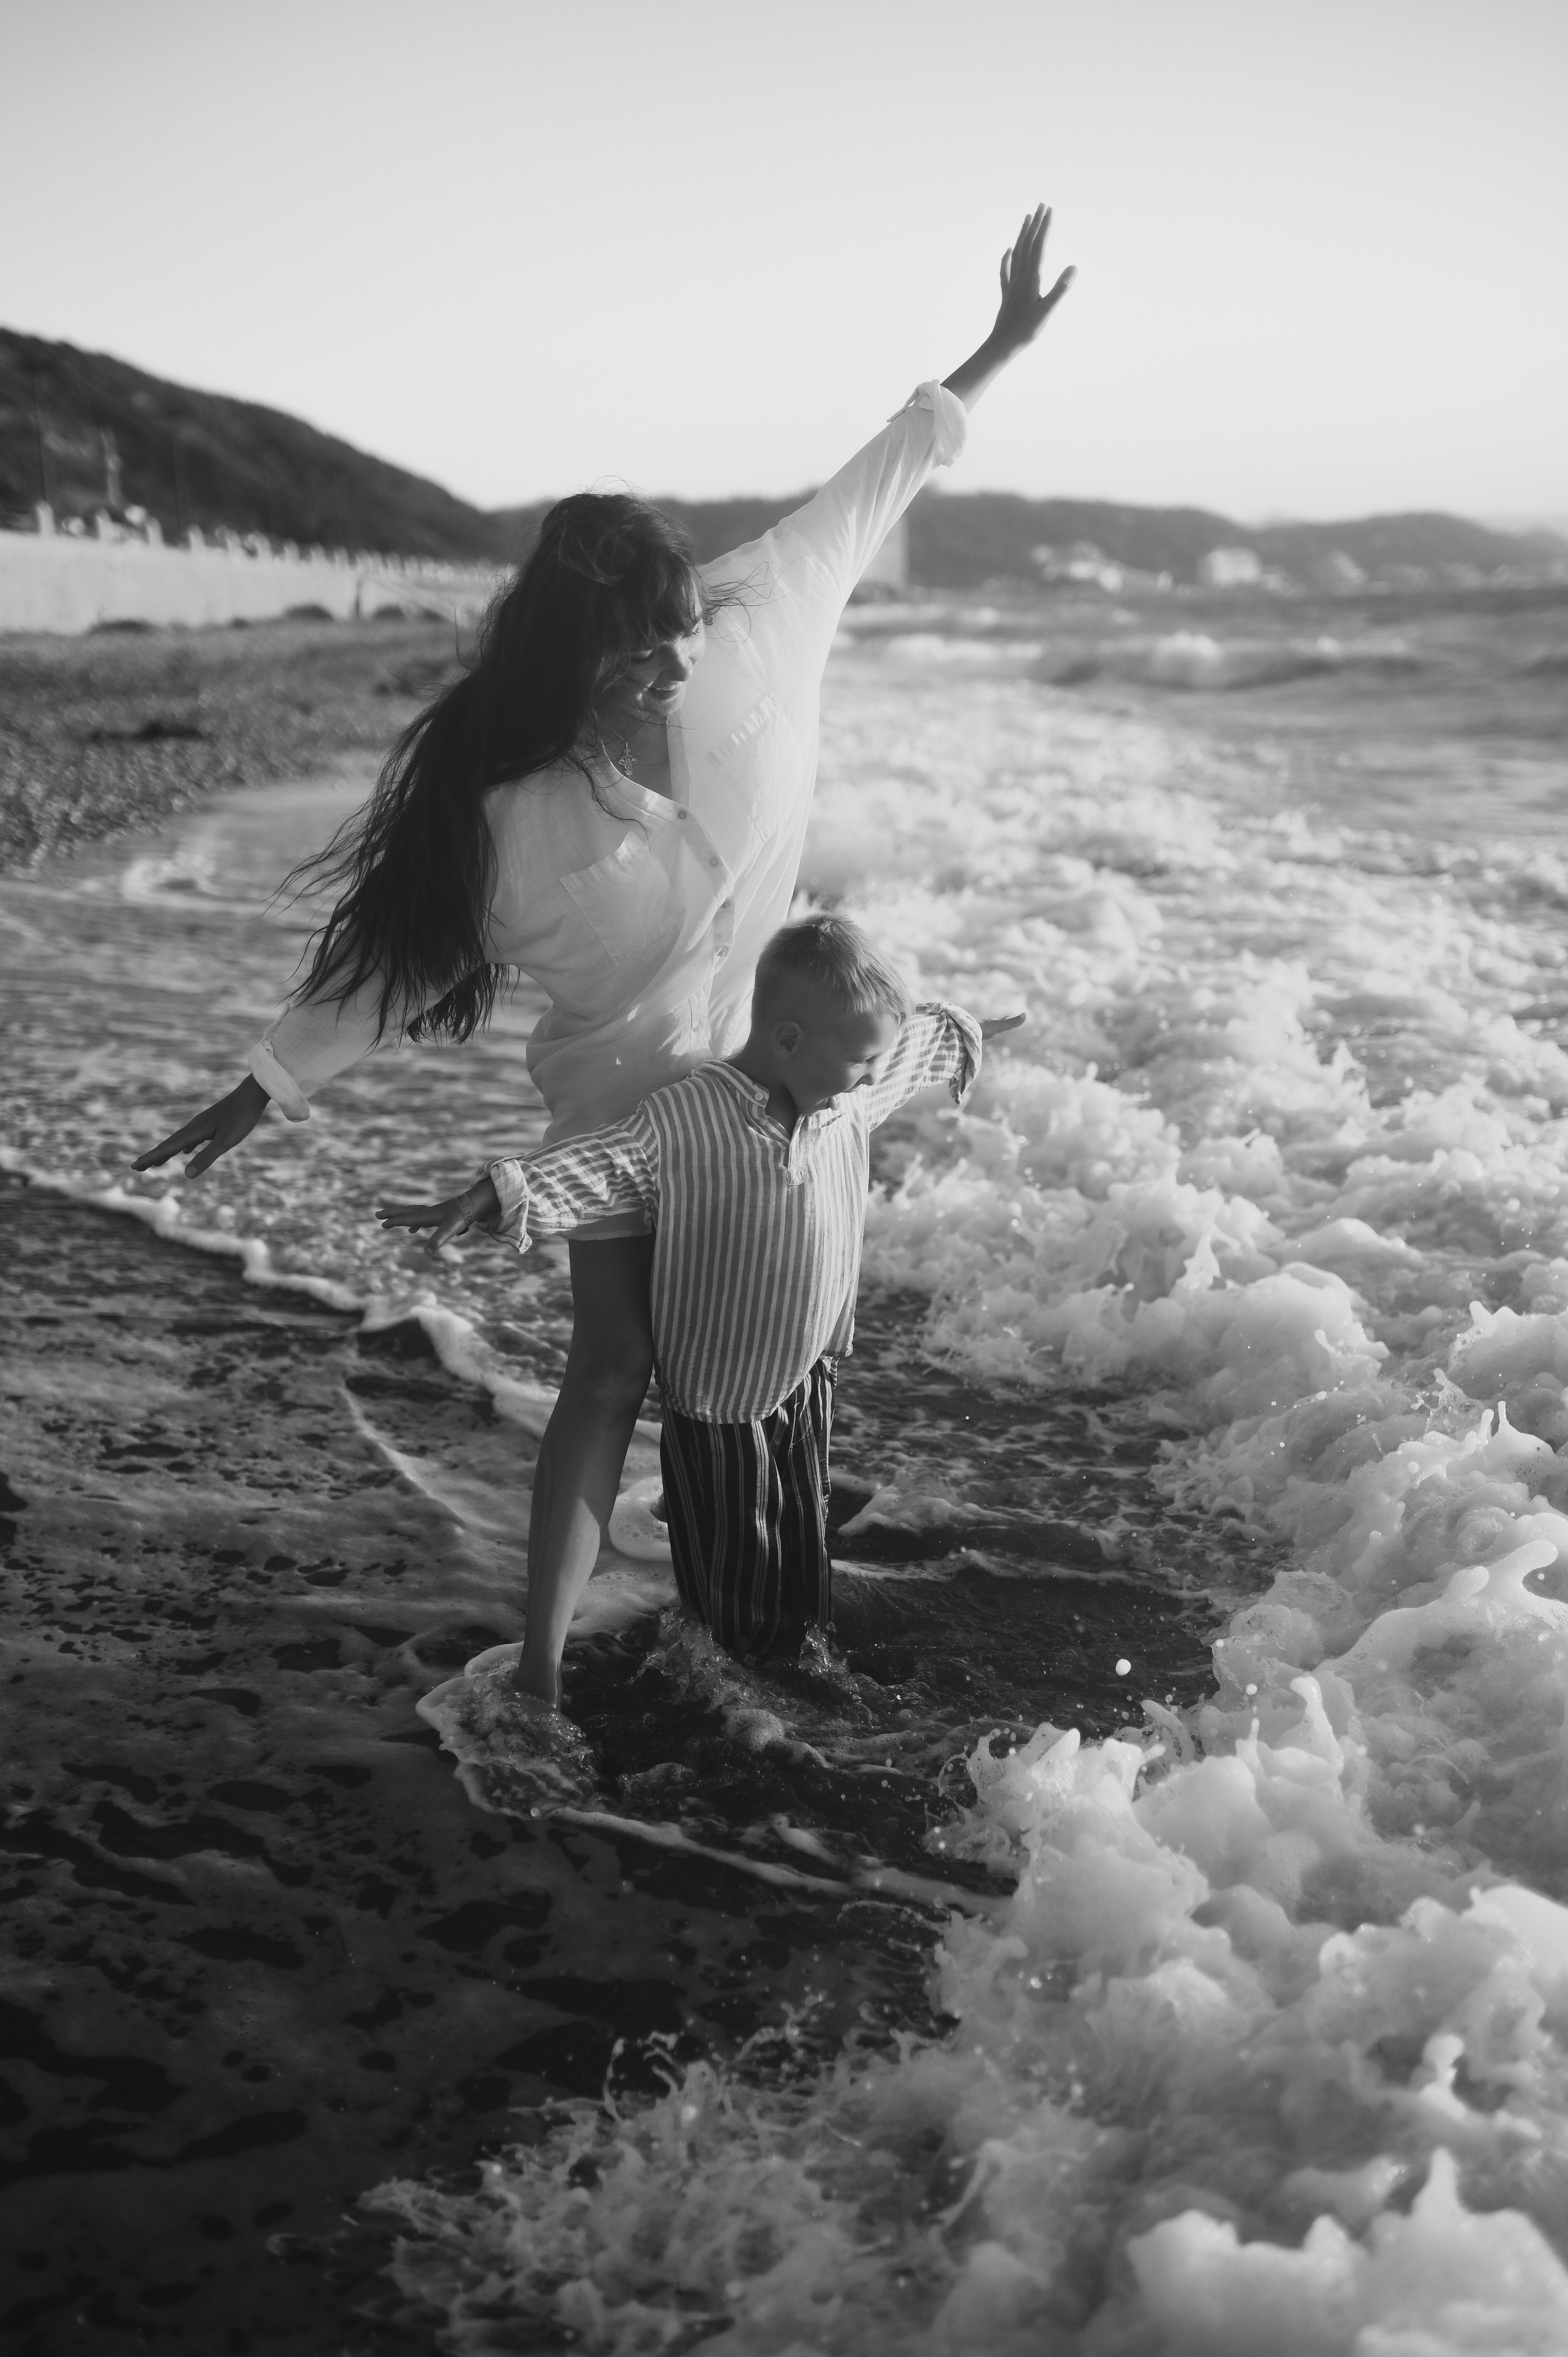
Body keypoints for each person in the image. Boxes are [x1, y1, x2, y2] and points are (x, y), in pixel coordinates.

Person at [134, 203, 1074, 1708]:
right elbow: (386, 970)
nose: (680, 661)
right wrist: (260, 1088)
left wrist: (1002, 342)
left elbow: (890, 457)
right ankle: (548, 1663)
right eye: (646, 648)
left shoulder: (764, 607)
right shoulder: (505, 817)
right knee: (613, 1366)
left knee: (802, 1322)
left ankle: (755, 1521)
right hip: (623, 1100)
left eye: (683, 628)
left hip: (776, 1074)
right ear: (576, 651)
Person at [379, 918, 1023, 1661]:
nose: (874, 1074)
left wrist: (970, 1031)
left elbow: (909, 1049)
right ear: (786, 1042)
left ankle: (795, 1655)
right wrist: (480, 1199)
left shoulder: (843, 1095)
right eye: (859, 1060)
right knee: (733, 1581)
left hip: (809, 1375)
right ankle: (729, 1684)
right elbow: (596, 1164)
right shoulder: (688, 1118)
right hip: (720, 1403)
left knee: (798, 1552)